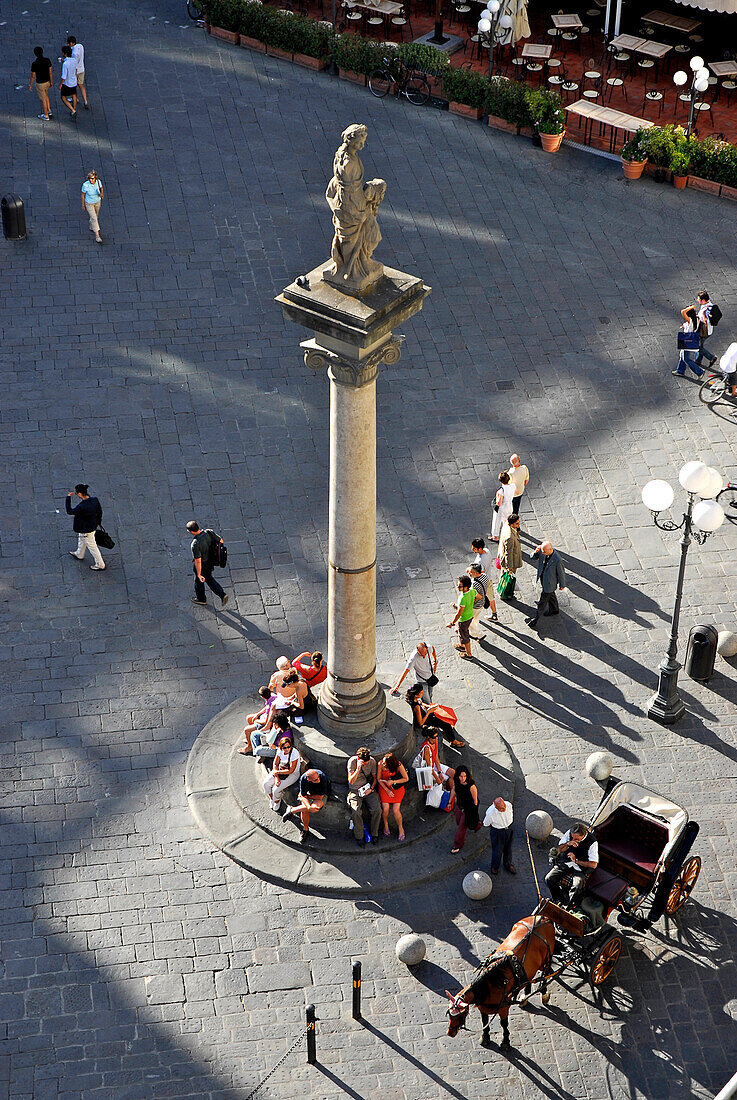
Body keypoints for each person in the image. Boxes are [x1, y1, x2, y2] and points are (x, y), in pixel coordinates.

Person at [545, 821, 598, 907]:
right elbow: (560, 849)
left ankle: (567, 905)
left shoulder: (592, 842)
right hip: (566, 862)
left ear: (583, 835)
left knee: (577, 886)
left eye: (576, 839)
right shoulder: (570, 833)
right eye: (572, 838)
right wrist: (567, 844)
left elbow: (593, 864)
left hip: (580, 868)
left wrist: (576, 860)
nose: (573, 840)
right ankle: (558, 899)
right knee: (549, 878)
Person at [406, 684, 465, 749]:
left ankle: (448, 732)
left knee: (439, 717)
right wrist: (428, 712)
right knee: (446, 725)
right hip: (425, 721)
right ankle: (453, 742)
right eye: (421, 692)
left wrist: (427, 706)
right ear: (416, 695)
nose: (423, 692)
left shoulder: (414, 700)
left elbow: (420, 703)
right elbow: (420, 723)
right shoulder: (416, 707)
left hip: (425, 716)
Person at [187, 521, 228, 608]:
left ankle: (202, 599)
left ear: (191, 532)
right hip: (210, 561)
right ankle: (222, 595)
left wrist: (198, 574)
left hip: (203, 564)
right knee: (208, 577)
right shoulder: (209, 532)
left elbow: (198, 561)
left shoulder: (195, 544)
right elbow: (221, 540)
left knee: (199, 580)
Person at [526, 541, 566, 630]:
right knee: (550, 595)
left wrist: (562, 584)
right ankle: (554, 609)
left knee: (542, 602)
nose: (542, 553)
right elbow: (532, 557)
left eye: (544, 552)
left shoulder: (557, 559)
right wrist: (535, 552)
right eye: (542, 551)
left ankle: (535, 620)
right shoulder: (542, 550)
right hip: (543, 578)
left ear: (550, 549)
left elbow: (561, 573)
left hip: (550, 583)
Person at [347, 747, 382, 846]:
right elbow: (351, 781)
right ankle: (359, 836)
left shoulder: (372, 761)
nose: (366, 764)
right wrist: (358, 768)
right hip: (355, 790)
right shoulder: (352, 761)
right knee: (356, 811)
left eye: (367, 762)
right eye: (364, 763)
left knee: (377, 810)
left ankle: (374, 833)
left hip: (367, 788)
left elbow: (375, 779)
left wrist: (371, 789)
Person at [66, 483, 105, 570]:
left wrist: (68, 498)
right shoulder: (94, 500)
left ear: (79, 494)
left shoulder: (81, 507)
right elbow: (100, 512)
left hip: (86, 530)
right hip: (92, 526)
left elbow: (70, 511)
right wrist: (98, 522)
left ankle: (100, 564)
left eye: (76, 493)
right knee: (81, 539)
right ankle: (79, 554)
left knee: (92, 547)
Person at [285, 768, 330, 843]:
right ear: (309, 780)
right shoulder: (303, 779)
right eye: (315, 780)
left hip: (320, 795)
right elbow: (303, 794)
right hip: (309, 793)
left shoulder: (322, 777)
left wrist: (305, 798)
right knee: (304, 810)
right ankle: (305, 829)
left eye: (318, 778)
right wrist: (307, 805)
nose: (318, 780)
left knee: (314, 808)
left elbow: (320, 797)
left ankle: (292, 810)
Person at [262, 735, 301, 811]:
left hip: (292, 774)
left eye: (288, 747)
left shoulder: (294, 753)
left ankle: (277, 801)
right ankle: (272, 798)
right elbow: (275, 763)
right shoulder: (279, 750)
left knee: (275, 789)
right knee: (266, 784)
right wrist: (276, 777)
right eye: (284, 748)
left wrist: (277, 772)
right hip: (280, 769)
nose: (287, 749)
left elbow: (291, 770)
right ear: (281, 747)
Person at [377, 752, 408, 842]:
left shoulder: (398, 765)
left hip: (396, 787)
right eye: (383, 761)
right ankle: (386, 824)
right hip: (384, 787)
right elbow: (379, 779)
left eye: (385, 763)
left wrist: (393, 781)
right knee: (385, 808)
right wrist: (387, 790)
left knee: (395, 810)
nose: (382, 763)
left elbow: (406, 778)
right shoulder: (380, 764)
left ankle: (401, 828)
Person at [451, 765, 481, 854]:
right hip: (460, 805)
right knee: (458, 820)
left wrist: (474, 811)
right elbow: (454, 790)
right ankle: (477, 825)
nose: (462, 778)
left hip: (469, 807)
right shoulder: (457, 782)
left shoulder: (471, 786)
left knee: (462, 827)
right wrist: (449, 801)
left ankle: (457, 844)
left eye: (464, 776)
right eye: (461, 776)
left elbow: (475, 800)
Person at [483, 796, 515, 875]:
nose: (504, 809)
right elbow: (486, 823)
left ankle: (507, 864)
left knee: (508, 848)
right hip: (498, 832)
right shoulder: (490, 813)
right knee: (497, 850)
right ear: (495, 807)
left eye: (504, 806)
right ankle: (495, 867)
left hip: (509, 829)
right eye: (501, 808)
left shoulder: (508, 805)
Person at [239, 687, 276, 755]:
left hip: (266, 722)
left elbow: (266, 721)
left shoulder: (271, 707)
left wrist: (257, 721)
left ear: (262, 697)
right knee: (249, 718)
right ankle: (249, 739)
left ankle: (250, 747)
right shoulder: (272, 696)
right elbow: (266, 707)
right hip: (264, 717)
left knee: (246, 729)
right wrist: (257, 714)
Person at [446, 575, 475, 660]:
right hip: (470, 616)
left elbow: (459, 614)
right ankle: (462, 646)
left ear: (465, 587)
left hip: (463, 619)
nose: (457, 587)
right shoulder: (472, 591)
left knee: (465, 637)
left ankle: (469, 655)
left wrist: (452, 623)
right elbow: (478, 597)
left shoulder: (462, 598)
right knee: (462, 633)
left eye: (459, 586)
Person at [673, 307, 703, 378]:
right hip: (691, 340)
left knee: (686, 358)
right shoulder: (697, 319)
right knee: (682, 355)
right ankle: (680, 371)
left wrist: (691, 306)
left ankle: (700, 372)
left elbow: (683, 311)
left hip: (687, 341)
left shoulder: (690, 321)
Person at [498, 514, 522, 600]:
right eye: (517, 523)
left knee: (504, 576)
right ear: (511, 524)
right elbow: (509, 552)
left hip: (505, 558)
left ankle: (504, 592)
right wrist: (510, 566)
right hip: (510, 561)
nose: (518, 525)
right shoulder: (510, 537)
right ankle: (505, 594)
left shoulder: (506, 526)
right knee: (508, 578)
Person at [695, 291, 718, 369]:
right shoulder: (708, 304)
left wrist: (703, 316)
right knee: (700, 344)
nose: (697, 300)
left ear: (703, 300)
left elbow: (706, 321)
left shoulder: (707, 310)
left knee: (697, 346)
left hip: (705, 331)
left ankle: (711, 357)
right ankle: (697, 361)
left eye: (698, 299)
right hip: (708, 330)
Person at [29, 46, 53, 121]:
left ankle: (46, 115)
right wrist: (51, 82)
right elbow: (50, 73)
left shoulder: (34, 63)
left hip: (40, 84)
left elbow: (33, 76)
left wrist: (30, 84)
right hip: (47, 82)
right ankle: (49, 110)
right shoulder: (47, 60)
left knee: (43, 99)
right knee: (46, 95)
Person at [490, 471, 515, 542]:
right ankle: (507, 534)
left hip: (502, 508)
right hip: (509, 506)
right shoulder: (513, 486)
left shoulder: (501, 490)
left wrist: (496, 505)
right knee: (507, 521)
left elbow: (499, 502)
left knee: (497, 521)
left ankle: (495, 536)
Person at [467, 563, 489, 640]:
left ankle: (479, 634)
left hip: (475, 606)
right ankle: (473, 631)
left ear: (476, 573)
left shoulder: (474, 584)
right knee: (475, 618)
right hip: (482, 603)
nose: (469, 573)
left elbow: (477, 597)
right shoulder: (485, 576)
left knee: (468, 620)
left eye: (471, 572)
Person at [81, 170, 104, 244]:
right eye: (90, 179)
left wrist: (102, 194)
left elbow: (101, 188)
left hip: (97, 201)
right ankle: (97, 236)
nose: (91, 180)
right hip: (89, 203)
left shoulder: (98, 182)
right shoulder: (85, 185)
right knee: (94, 218)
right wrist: (83, 205)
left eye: (92, 179)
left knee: (95, 216)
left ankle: (91, 226)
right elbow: (83, 195)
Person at [67, 35, 88, 109]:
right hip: (82, 69)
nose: (68, 45)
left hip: (76, 71)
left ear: (72, 43)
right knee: (81, 85)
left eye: (69, 43)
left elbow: (74, 64)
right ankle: (85, 101)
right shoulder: (80, 46)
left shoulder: (74, 54)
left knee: (74, 86)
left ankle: (75, 98)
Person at [507, 454, 530, 518]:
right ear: (519, 461)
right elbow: (526, 480)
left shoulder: (510, 473)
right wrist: (522, 486)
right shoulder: (524, 468)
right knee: (516, 508)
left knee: (510, 510)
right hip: (520, 492)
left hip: (512, 495)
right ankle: (515, 521)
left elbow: (508, 485)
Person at [59, 44, 78, 117]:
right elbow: (75, 69)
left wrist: (60, 84)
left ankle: (72, 110)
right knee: (74, 95)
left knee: (63, 97)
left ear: (65, 53)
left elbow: (64, 76)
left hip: (67, 83)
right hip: (74, 81)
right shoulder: (74, 60)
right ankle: (74, 108)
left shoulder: (65, 64)